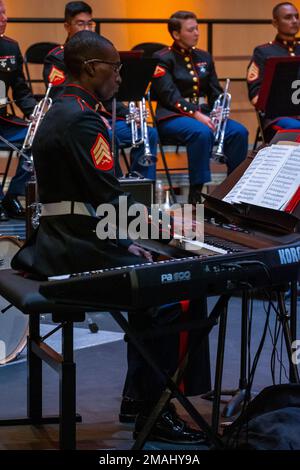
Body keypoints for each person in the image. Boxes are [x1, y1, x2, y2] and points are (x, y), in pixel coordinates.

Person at [12, 30, 211, 444]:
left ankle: (139, 401)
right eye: (115, 68)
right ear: (90, 68)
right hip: (73, 250)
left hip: (67, 237)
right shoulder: (83, 117)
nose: (120, 77)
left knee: (159, 269)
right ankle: (153, 412)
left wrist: (125, 241)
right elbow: (108, 196)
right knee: (172, 290)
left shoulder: (63, 106)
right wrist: (172, 230)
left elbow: (90, 198)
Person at [43, 1, 158, 180]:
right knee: (108, 135)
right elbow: (61, 96)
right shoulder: (58, 57)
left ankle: (141, 186)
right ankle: (113, 186)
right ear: (67, 26)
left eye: (90, 23)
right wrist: (97, 117)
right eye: (81, 24)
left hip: (106, 118)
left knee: (147, 132)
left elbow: (110, 96)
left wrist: (129, 113)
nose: (87, 28)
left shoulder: (102, 53)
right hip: (81, 120)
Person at [151, 10, 248, 205]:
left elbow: (215, 90)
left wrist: (220, 106)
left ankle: (233, 191)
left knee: (239, 131)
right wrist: (195, 114)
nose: (197, 33)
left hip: (203, 114)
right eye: (191, 29)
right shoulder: (162, 58)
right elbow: (169, 96)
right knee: (201, 132)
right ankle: (196, 195)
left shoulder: (203, 56)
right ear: (176, 34)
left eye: (197, 28)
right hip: (172, 116)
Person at [0, 0, 37, 220]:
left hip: (3, 121)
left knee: (40, 136)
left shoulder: (10, 47)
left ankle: (12, 196)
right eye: (0, 14)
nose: (5, 18)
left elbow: (21, 91)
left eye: (5, 13)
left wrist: (33, 113)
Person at [247, 2, 300, 141]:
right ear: (275, 23)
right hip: (277, 117)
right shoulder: (264, 52)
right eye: (288, 17)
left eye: (297, 16)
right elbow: (255, 94)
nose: (294, 21)